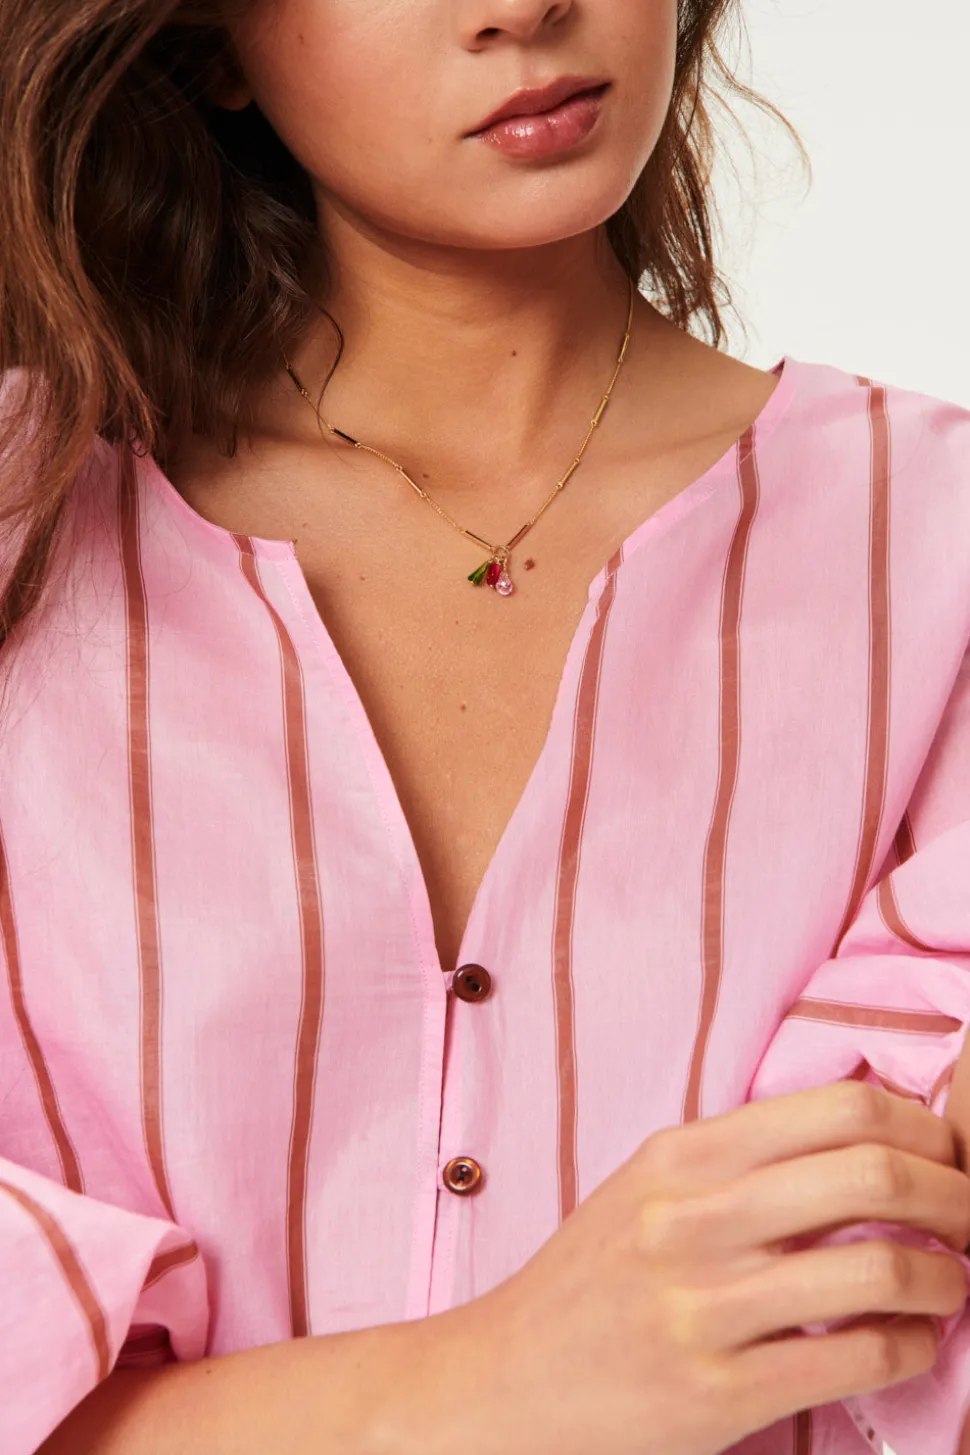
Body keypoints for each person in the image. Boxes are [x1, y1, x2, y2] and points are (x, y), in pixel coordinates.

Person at [1, 2, 969, 1453]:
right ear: (207, 43)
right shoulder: (24, 523)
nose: (521, 5)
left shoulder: (937, 544)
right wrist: (491, 1379)